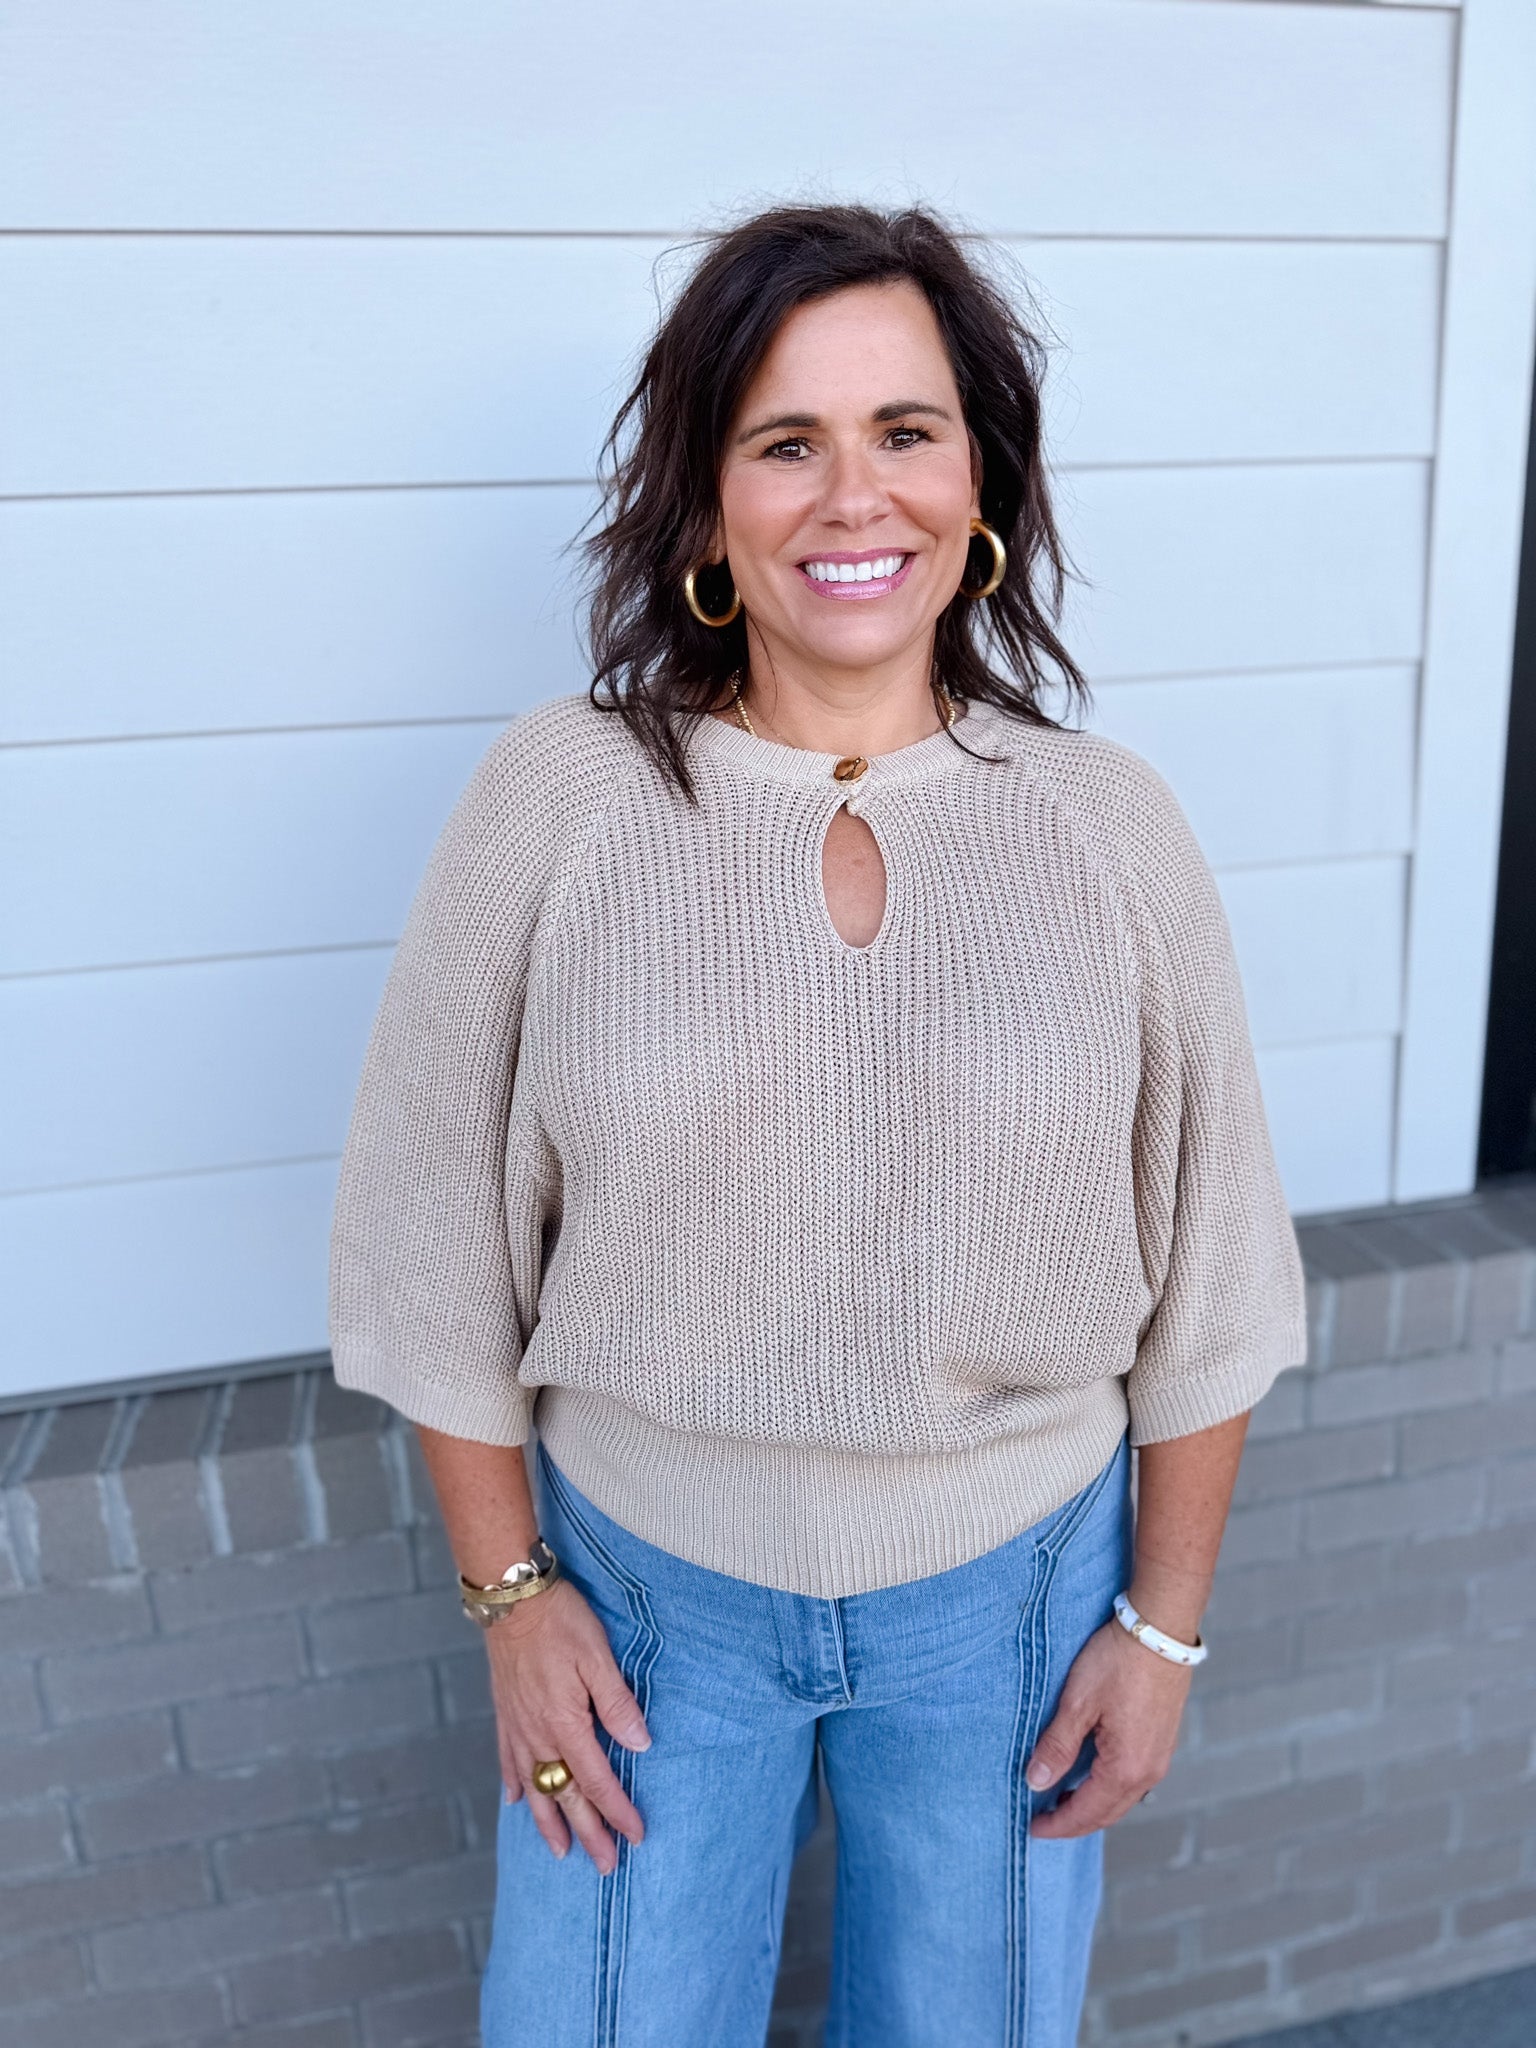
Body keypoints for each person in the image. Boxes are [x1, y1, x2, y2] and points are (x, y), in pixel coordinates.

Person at [329, 201, 1307, 2048]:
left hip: (1018, 1603)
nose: (854, 496)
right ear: (707, 505)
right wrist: (512, 1597)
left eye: (904, 431)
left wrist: (1163, 1630)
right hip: (640, 1601)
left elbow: (1217, 1275)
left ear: (978, 478)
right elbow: (427, 1229)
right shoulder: (562, 801)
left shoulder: (1109, 828)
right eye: (786, 442)